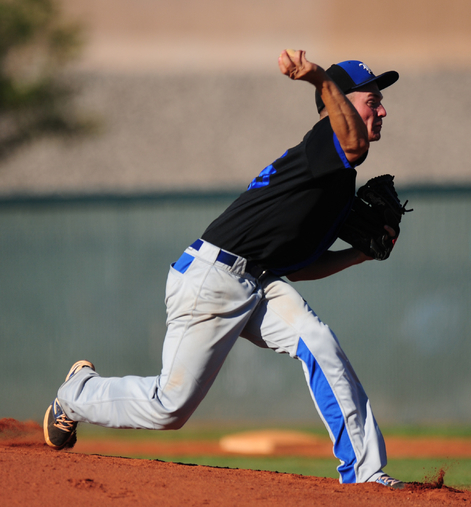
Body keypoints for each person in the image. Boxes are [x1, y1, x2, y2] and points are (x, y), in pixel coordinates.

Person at [43, 50, 404, 488]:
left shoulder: (336, 182)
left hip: (259, 280)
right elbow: (353, 143)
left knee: (319, 342)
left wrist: (360, 254)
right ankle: (77, 392)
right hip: (212, 278)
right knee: (169, 408)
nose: (382, 109)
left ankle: (365, 473)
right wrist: (318, 78)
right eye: (372, 100)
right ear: (340, 104)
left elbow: (301, 267)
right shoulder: (325, 143)